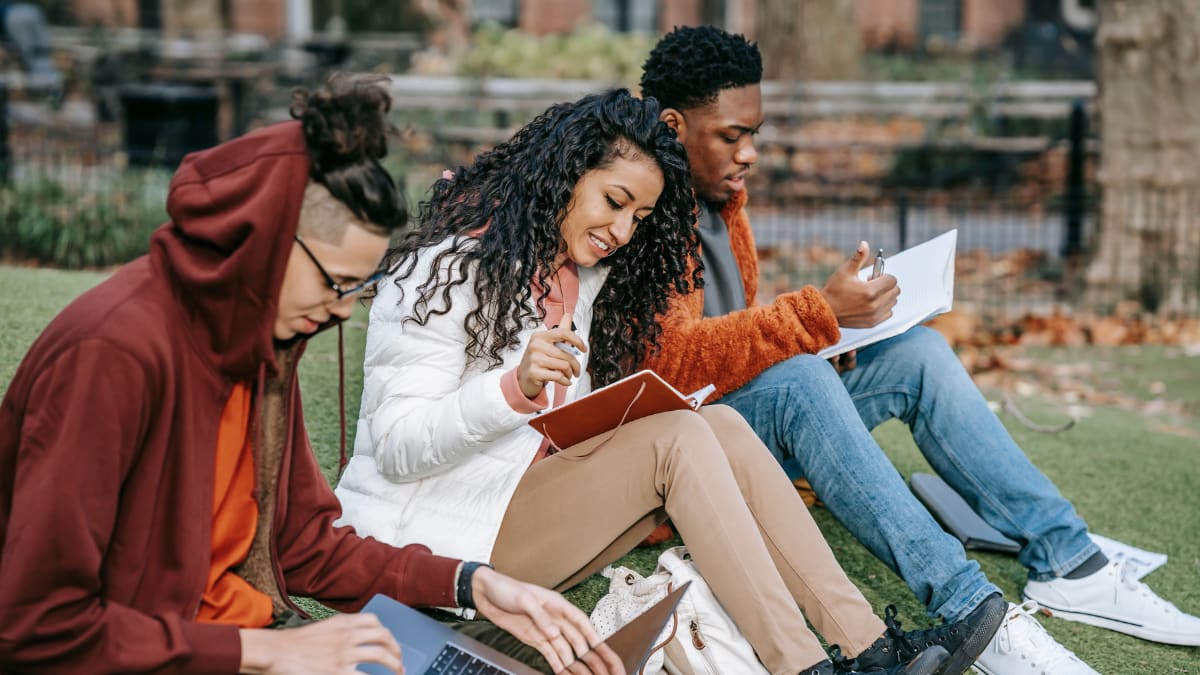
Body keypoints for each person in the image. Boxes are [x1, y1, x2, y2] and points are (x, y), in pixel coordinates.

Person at [0, 76, 619, 675]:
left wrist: (472, 584)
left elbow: (303, 546)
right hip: (181, 652)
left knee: (533, 653)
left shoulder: (260, 347)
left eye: (359, 287)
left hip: (247, 638)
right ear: (263, 240)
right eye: (335, 283)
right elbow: (38, 622)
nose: (345, 308)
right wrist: (264, 655)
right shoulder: (111, 355)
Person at [334, 88, 963, 675]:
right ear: (562, 177)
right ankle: (804, 666)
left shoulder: (577, 278)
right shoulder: (445, 270)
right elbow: (397, 446)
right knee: (678, 440)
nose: (623, 231)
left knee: (715, 422)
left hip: (510, 507)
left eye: (640, 215)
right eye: (614, 202)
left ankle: (868, 649)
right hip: (433, 549)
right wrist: (514, 388)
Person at [636, 24, 1200, 675]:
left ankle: (1068, 560)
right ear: (675, 126)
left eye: (756, 133)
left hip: (745, 408)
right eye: (732, 136)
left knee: (919, 355)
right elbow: (669, 365)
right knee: (797, 379)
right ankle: (972, 613)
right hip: (686, 453)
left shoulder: (722, 195)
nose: (751, 152)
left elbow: (731, 328)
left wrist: (836, 333)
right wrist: (816, 316)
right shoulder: (643, 206)